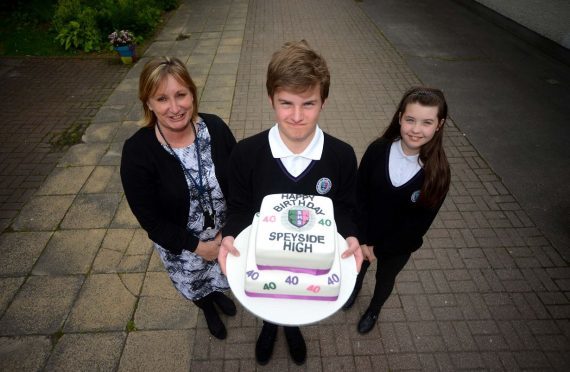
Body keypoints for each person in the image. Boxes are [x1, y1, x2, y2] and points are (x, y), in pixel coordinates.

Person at [217, 40, 363, 365]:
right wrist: (229, 234)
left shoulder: (341, 155)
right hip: (267, 256)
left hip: (312, 260)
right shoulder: (246, 153)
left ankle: (293, 327)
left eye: (308, 104)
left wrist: (352, 234)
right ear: (271, 99)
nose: (296, 116)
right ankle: (269, 326)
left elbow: (344, 207)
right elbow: (240, 207)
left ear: (323, 101)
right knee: (271, 295)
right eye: (286, 103)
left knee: (299, 299)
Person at [120, 57, 237, 340]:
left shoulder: (216, 129)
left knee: (221, 279)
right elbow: (150, 220)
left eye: (181, 94)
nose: (174, 108)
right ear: (148, 103)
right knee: (198, 285)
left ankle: (217, 296)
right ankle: (207, 307)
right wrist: (198, 246)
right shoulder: (138, 152)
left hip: (227, 237)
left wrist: (229, 232)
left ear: (192, 95)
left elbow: (240, 184)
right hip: (183, 247)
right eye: (162, 98)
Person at [343, 86, 451, 334]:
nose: (416, 129)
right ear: (400, 117)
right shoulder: (378, 149)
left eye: (426, 122)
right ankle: (354, 289)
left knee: (385, 279)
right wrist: (362, 240)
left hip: (397, 247)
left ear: (439, 125)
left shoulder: (439, 173)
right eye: (410, 119)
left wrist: (379, 249)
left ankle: (374, 309)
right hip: (365, 235)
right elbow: (359, 196)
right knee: (358, 267)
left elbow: (417, 227)